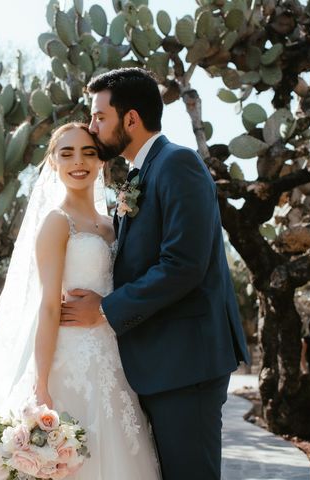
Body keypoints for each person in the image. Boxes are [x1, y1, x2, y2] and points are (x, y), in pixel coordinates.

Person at [0, 122, 160, 479]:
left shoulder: (114, 224)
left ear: (101, 162)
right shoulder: (57, 222)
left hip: (115, 358)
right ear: (53, 163)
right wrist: (41, 385)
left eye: (88, 152)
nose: (78, 161)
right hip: (70, 360)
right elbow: (49, 306)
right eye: (66, 153)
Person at [60, 68, 250, 480]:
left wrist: (106, 310)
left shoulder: (178, 163)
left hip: (187, 366)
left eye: (99, 117)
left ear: (130, 119)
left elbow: (183, 264)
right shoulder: (139, 174)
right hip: (159, 364)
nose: (92, 128)